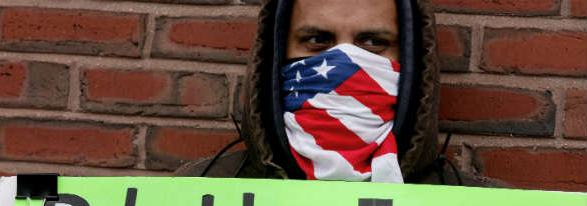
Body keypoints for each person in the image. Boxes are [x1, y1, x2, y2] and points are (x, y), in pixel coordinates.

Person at [176, 0, 504, 187]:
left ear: (412, 61)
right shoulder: (199, 195)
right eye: (317, 40)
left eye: (374, 43)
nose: (344, 61)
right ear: (276, 55)